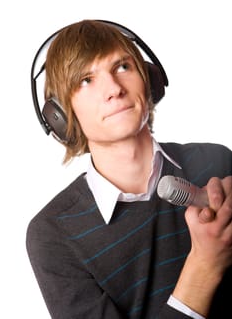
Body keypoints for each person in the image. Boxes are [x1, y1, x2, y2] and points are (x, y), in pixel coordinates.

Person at [26, 19, 232, 319]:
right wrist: (205, 266)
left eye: (122, 67)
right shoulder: (54, 235)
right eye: (86, 80)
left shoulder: (216, 161)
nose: (113, 89)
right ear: (60, 115)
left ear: (149, 79)